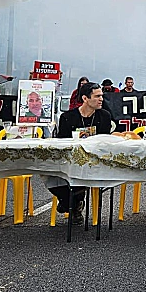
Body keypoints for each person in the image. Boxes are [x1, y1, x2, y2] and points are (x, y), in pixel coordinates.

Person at [50, 83, 115, 225]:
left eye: (102, 96)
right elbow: (62, 142)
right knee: (47, 171)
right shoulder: (67, 117)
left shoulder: (104, 116)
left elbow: (103, 141)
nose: (101, 99)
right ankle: (70, 202)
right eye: (97, 96)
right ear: (85, 98)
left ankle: (72, 204)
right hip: (71, 159)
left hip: (95, 160)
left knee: (82, 171)